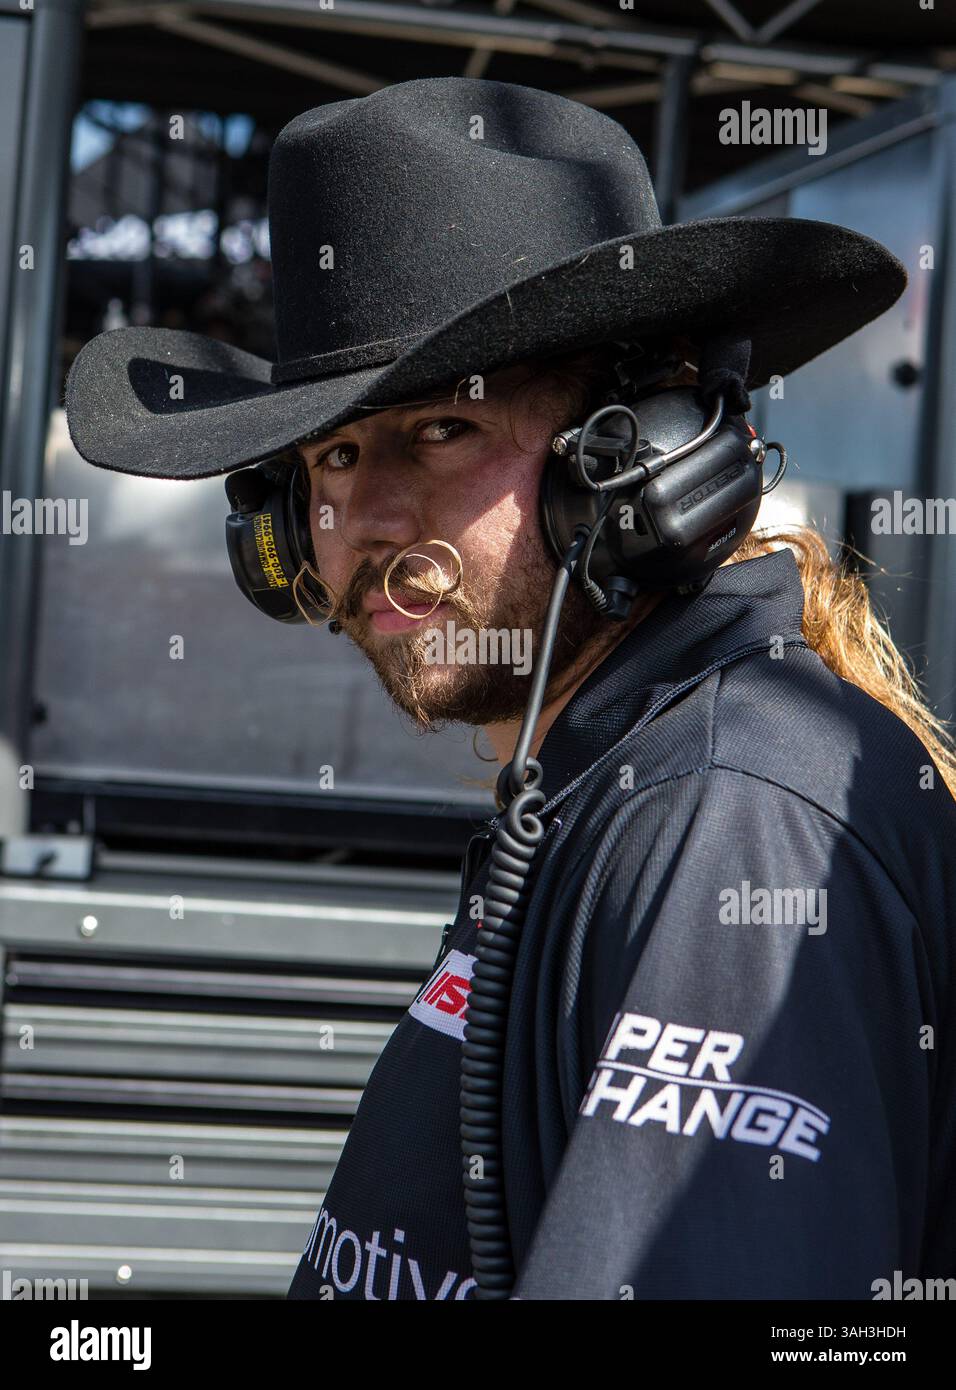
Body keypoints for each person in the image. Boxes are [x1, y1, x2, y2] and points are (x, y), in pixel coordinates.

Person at [64, 76, 956, 1301]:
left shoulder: (726, 823)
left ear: (642, 453)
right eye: (330, 454)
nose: (365, 517)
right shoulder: (603, 781)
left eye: (439, 431)